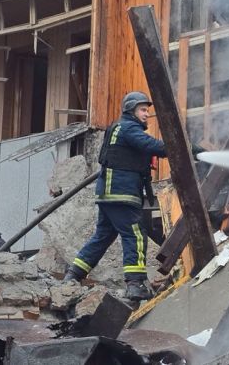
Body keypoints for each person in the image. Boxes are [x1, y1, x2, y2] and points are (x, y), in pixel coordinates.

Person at [63, 91, 204, 301]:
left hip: (109, 194)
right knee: (135, 234)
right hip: (121, 193)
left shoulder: (120, 127)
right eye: (143, 110)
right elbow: (152, 145)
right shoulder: (129, 128)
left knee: (103, 236)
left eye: (147, 110)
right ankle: (135, 284)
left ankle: (74, 274)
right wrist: (186, 148)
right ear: (131, 110)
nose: (147, 114)